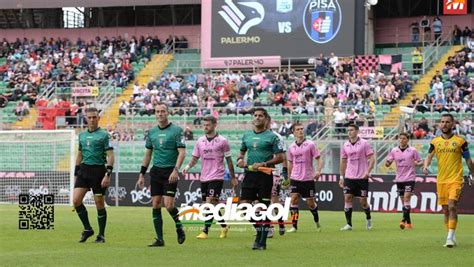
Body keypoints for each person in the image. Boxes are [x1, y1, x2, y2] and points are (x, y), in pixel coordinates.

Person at [137, 102, 186, 247]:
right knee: (156, 204)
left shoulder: (176, 130)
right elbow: (147, 155)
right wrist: (141, 174)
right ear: (155, 114)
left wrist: (176, 170)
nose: (160, 114)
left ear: (168, 113)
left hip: (170, 171)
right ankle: (159, 239)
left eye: (162, 111)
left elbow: (182, 152)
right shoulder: (151, 132)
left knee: (169, 205)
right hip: (156, 171)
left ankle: (179, 226)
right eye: (157, 111)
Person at [423, 114, 474, 248]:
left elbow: (468, 159)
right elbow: (429, 156)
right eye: (442, 122)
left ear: (452, 124)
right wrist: (425, 166)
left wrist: (472, 174)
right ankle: (451, 234)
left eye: (447, 122)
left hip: (456, 179)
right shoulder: (435, 142)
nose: (444, 124)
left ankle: (449, 237)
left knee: (452, 206)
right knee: (445, 210)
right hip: (441, 180)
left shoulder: (460, 141)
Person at [236, 108, 284, 250]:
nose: (257, 118)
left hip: (265, 175)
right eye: (255, 115)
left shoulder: (272, 137)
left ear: (265, 119)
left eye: (260, 116)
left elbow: (280, 157)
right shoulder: (247, 136)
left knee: (264, 208)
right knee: (244, 206)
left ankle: (261, 242)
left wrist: (264, 164)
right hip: (249, 174)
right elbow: (241, 153)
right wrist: (240, 160)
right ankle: (260, 230)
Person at [182, 116, 237, 239]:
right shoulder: (200, 141)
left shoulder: (223, 141)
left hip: (217, 176)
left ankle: (205, 231)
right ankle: (224, 226)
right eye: (204, 125)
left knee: (209, 204)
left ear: (214, 125)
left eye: (208, 125)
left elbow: (229, 160)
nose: (205, 127)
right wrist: (187, 166)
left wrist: (233, 177)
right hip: (204, 177)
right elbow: (195, 158)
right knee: (212, 205)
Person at [73, 107, 114, 243]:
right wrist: (75, 173)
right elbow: (79, 154)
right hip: (84, 170)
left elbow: (110, 156)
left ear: (98, 118)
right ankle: (88, 229)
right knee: (76, 201)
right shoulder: (82, 135)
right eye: (89, 117)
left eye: (94, 117)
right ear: (86, 118)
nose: (91, 120)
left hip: (98, 171)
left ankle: (101, 235)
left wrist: (107, 175)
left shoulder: (104, 135)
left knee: (99, 203)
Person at [287, 123, 323, 233]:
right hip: (295, 178)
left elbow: (319, 159)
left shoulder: (310, 144)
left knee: (310, 203)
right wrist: (289, 178)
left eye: (302, 129)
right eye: (298, 129)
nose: (300, 131)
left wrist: (318, 171)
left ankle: (317, 222)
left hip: (308, 179)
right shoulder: (291, 147)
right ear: (293, 132)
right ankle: (294, 226)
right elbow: (290, 164)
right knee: (293, 200)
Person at [339, 123, 375, 231]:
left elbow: (372, 159)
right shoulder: (345, 145)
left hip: (362, 177)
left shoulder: (364, 143)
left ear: (357, 131)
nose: (349, 132)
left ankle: (368, 218)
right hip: (349, 177)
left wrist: (368, 171)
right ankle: (349, 224)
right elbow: (343, 161)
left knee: (363, 201)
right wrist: (341, 177)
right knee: (347, 198)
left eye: (352, 130)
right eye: (348, 130)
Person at [385, 133, 423, 229]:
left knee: (406, 198)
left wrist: (417, 164)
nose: (402, 140)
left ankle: (403, 221)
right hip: (399, 179)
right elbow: (388, 162)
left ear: (407, 140)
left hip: (410, 178)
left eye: (404, 138)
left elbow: (420, 161)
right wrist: (387, 163)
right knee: (404, 202)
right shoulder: (394, 150)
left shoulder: (413, 150)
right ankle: (409, 223)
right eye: (400, 138)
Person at [266, 116, 288, 238]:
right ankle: (268, 227)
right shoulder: (257, 136)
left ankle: (280, 222)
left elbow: (283, 155)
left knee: (274, 200)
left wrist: (284, 172)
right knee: (262, 200)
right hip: (261, 172)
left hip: (274, 172)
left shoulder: (276, 137)